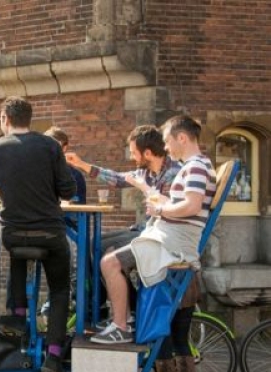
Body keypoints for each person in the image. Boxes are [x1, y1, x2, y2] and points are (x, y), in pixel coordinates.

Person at [92, 115, 215, 346]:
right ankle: (123, 319)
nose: (166, 147)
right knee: (106, 252)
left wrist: (160, 210)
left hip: (172, 242)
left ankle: (121, 326)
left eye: (168, 141)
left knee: (109, 262)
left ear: (182, 138)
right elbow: (181, 203)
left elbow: (192, 205)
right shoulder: (193, 166)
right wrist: (161, 203)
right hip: (166, 236)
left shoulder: (196, 166)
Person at [0, 96, 76, 372]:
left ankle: (19, 320)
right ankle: (54, 356)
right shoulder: (49, 146)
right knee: (60, 290)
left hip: (13, 233)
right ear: (30, 119)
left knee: (18, 258)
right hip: (49, 232)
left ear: (4, 119)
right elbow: (68, 190)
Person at [66, 125, 182, 252]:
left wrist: (144, 187)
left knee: (102, 249)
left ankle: (110, 270)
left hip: (159, 235)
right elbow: (117, 179)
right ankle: (102, 272)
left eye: (133, 153)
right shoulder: (146, 172)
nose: (132, 157)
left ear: (147, 153)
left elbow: (167, 210)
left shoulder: (174, 173)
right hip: (145, 228)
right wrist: (81, 164)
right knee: (92, 243)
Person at [44, 127, 86, 204]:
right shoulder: (35, 171)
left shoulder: (75, 176)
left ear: (64, 148)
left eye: (55, 146)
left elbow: (78, 207)